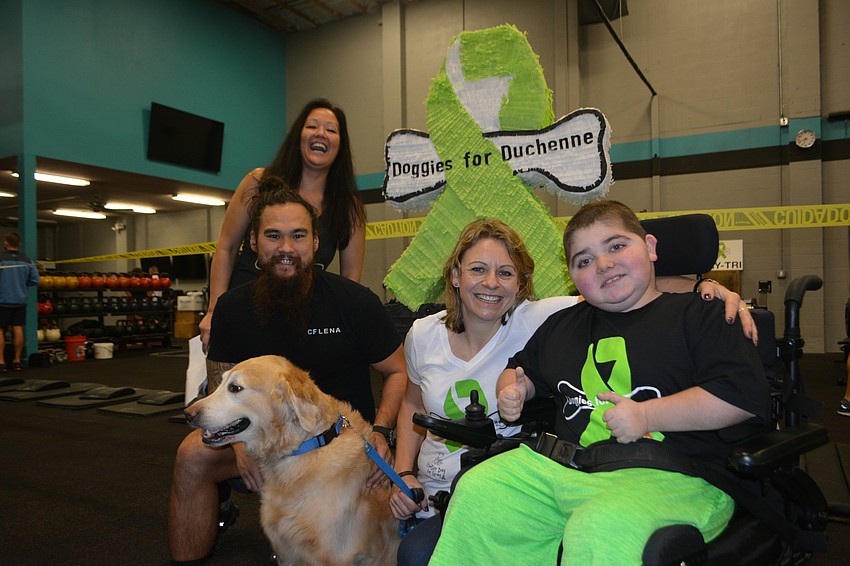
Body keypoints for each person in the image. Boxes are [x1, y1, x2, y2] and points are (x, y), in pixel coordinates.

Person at [389, 218, 758, 565]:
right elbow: (520, 371)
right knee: (480, 490)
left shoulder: (704, 314)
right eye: (584, 260)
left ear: (649, 246)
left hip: (671, 473)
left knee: (597, 525)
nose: (602, 264)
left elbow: (740, 395)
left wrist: (703, 287)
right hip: (571, 466)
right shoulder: (562, 324)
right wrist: (512, 388)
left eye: (616, 246)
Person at [167, 179, 405, 565]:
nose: (286, 248)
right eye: (274, 236)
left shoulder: (355, 302)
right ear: (255, 244)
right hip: (261, 438)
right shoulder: (232, 308)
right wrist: (240, 446)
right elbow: (219, 384)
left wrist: (381, 430)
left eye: (298, 235)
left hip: (338, 445)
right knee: (191, 456)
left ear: (314, 243)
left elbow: (398, 372)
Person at [199, 98, 366, 351]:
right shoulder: (258, 181)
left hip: (301, 321)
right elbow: (226, 248)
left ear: (340, 145)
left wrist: (346, 324)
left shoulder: (349, 205)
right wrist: (214, 310)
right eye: (312, 126)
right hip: (245, 313)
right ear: (298, 135)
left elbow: (351, 277)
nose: (321, 133)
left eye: (331, 130)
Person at [0, 232, 39, 372]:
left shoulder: (1, 259)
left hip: (2, 300)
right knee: (18, 328)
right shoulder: (27, 261)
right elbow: (35, 280)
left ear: (6, 243)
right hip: (20, 300)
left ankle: (2, 362)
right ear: (19, 244)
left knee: (0, 330)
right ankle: (17, 361)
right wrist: (21, 284)